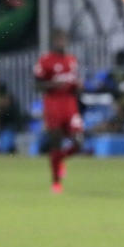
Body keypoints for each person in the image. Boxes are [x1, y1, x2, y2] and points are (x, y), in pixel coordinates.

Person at [33, 28, 83, 193]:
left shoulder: (72, 60)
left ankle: (60, 159)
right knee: (56, 141)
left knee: (79, 142)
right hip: (53, 104)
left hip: (70, 104)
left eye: (64, 39)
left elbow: (74, 82)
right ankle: (56, 182)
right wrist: (54, 85)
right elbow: (36, 85)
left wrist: (78, 87)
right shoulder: (45, 61)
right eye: (60, 39)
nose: (63, 42)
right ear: (54, 41)